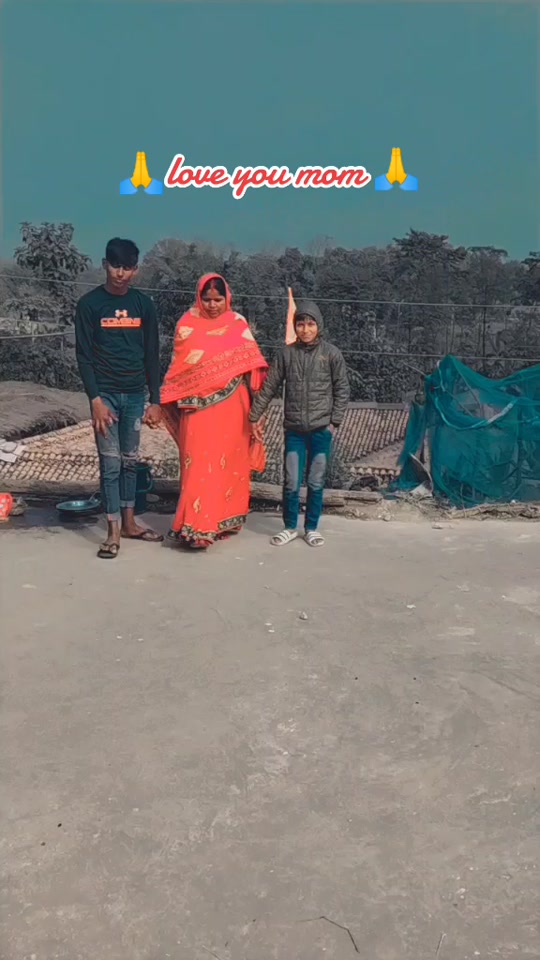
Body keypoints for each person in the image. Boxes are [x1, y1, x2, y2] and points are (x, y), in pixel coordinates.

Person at [160, 273, 268, 549]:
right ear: (199, 298)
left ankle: (223, 521)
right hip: (196, 407)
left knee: (228, 464)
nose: (212, 305)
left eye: (218, 299)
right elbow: (179, 369)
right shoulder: (186, 324)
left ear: (227, 298)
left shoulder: (237, 323)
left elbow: (253, 367)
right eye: (206, 299)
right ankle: (196, 527)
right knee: (196, 464)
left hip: (234, 405)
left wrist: (257, 411)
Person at [74, 237, 163, 559]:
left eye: (127, 267)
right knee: (110, 464)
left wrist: (155, 400)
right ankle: (112, 531)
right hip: (105, 398)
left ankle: (130, 523)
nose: (120, 273)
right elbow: (84, 356)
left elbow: (152, 354)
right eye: (115, 266)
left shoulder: (143, 305)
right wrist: (95, 400)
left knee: (129, 462)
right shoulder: (89, 305)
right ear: (105, 265)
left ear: (135, 270)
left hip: (136, 395)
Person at [249, 299, 350, 547]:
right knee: (291, 481)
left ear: (319, 326)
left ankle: (311, 528)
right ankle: (290, 527)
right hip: (294, 430)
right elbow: (269, 386)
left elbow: (342, 389)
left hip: (321, 430)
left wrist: (334, 422)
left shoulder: (331, 354)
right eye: (301, 324)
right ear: (295, 327)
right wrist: (254, 416)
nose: (305, 329)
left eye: (310, 324)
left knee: (316, 481)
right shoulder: (286, 354)